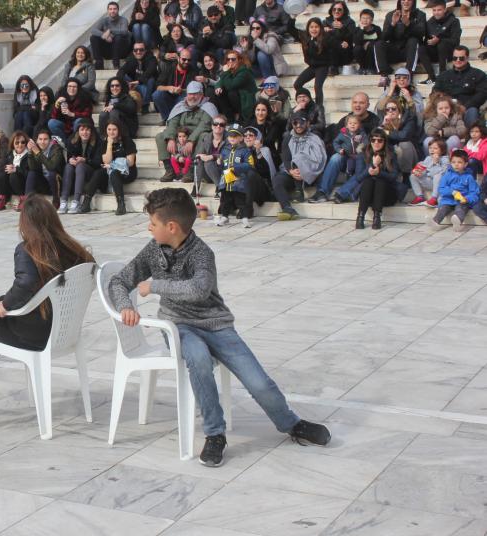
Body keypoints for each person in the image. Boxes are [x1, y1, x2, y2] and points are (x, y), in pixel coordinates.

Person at [109, 188, 331, 467]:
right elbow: (118, 281)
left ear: (171, 227)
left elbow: (199, 289)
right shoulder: (153, 251)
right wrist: (125, 307)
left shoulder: (202, 253)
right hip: (179, 327)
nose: (149, 228)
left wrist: (155, 286)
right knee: (198, 359)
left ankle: (291, 424)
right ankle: (215, 434)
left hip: (216, 325)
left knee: (258, 382)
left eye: (153, 223)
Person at [0, 196, 94, 391]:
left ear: (26, 223)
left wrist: (6, 304)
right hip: (63, 332)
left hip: (32, 336)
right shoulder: (72, 249)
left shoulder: (28, 249)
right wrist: (4, 301)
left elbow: (26, 283)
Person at [157, 81, 216, 181]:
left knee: (205, 135)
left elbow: (204, 126)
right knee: (160, 136)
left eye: (195, 94)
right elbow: (173, 123)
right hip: (181, 135)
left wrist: (191, 140)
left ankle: (191, 170)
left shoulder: (208, 106)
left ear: (201, 94)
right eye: (190, 94)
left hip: (197, 137)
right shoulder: (181, 106)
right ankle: (170, 170)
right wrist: (171, 138)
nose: (192, 97)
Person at [272, 112, 327, 220]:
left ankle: (299, 191)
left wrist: (304, 168)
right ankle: (287, 208)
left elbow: (319, 159)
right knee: (277, 180)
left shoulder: (315, 138)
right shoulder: (288, 138)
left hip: (310, 174)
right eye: (295, 123)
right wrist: (291, 171)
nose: (298, 125)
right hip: (292, 173)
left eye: (301, 122)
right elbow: (286, 158)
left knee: (299, 157)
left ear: (308, 123)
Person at [81, 120, 137, 215]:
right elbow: (106, 161)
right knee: (98, 172)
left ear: (119, 130)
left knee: (114, 173)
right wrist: (109, 144)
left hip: (127, 171)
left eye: (114, 129)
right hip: (110, 169)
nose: (111, 132)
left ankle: (121, 204)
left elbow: (130, 162)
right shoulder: (105, 142)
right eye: (109, 129)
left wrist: (112, 165)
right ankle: (86, 202)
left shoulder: (127, 141)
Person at [216, 126, 266, 228]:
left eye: (235, 136)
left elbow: (250, 165)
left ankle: (245, 218)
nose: (232, 138)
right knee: (225, 199)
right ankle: (224, 216)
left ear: (240, 138)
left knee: (241, 200)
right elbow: (222, 164)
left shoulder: (245, 151)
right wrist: (219, 162)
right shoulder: (224, 150)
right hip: (226, 179)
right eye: (230, 136)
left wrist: (236, 167)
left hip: (239, 181)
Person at [374, 0, 433, 86]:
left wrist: (409, 24)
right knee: (379, 44)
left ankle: (408, 74)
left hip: (411, 52)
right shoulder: (391, 15)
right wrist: (392, 24)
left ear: (413, 1)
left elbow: (422, 33)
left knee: (413, 40)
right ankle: (384, 75)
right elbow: (384, 37)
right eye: (403, 0)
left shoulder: (420, 14)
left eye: (409, 0)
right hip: (394, 50)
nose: (406, 2)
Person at [313, 115, 369, 203]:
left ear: (359, 125)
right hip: (346, 156)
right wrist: (339, 150)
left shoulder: (362, 134)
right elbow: (336, 142)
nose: (352, 125)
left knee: (363, 169)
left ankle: (342, 193)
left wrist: (362, 147)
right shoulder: (343, 134)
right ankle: (322, 191)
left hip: (359, 159)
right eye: (350, 123)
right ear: (346, 125)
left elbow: (367, 142)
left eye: (355, 123)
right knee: (335, 158)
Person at [354, 128, 401, 229]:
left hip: (386, 194)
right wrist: (372, 165)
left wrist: (379, 172)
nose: (376, 143)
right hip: (367, 194)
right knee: (368, 181)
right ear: (370, 141)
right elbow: (358, 178)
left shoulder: (391, 154)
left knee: (380, 180)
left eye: (380, 140)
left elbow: (394, 176)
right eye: (373, 140)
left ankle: (377, 217)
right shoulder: (363, 154)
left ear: (384, 142)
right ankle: (360, 217)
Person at [434, 46, 487, 128]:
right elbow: (435, 91)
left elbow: (482, 94)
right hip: (446, 109)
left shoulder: (478, 74)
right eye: (455, 58)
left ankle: (471, 135)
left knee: (473, 111)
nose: (458, 60)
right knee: (428, 113)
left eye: (461, 58)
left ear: (467, 58)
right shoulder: (443, 75)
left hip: (467, 109)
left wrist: (465, 107)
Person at [429, 149, 480, 231]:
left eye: (459, 162)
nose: (456, 164)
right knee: (443, 208)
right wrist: (452, 192)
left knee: (461, 208)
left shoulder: (469, 177)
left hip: (462, 200)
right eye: (453, 162)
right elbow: (441, 189)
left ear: (465, 164)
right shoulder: (447, 175)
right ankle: (435, 221)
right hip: (448, 200)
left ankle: (457, 220)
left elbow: (474, 192)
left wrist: (467, 199)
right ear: (450, 163)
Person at [61, 119, 101, 213]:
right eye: (82, 129)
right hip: (76, 172)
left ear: (91, 131)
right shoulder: (72, 140)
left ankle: (76, 201)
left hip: (91, 171)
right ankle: (64, 201)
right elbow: (69, 156)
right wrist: (70, 160)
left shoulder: (98, 141)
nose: (84, 132)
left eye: (87, 130)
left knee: (81, 166)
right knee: (68, 166)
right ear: (78, 131)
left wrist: (85, 160)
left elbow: (98, 163)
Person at [19, 129, 64, 210]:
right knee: (32, 173)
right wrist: (30, 152)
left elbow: (52, 166)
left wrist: (38, 153)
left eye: (45, 139)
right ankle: (27, 201)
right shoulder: (36, 148)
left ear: (50, 140)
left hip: (57, 183)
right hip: (44, 183)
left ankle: (56, 199)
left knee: (52, 173)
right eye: (40, 139)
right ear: (37, 140)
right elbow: (33, 167)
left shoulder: (56, 149)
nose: (42, 142)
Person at [212, 50, 255, 123]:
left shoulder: (244, 71)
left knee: (232, 92)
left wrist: (225, 72)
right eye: (228, 59)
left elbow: (231, 85)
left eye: (233, 59)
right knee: (219, 93)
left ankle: (240, 117)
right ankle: (230, 118)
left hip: (246, 99)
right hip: (237, 99)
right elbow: (220, 81)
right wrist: (218, 87)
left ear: (239, 60)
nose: (230, 61)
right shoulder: (230, 70)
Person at [0, 130, 30, 211]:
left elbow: (30, 174)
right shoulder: (10, 154)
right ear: (13, 144)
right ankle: (1, 199)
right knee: (1, 172)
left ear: (26, 143)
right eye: (17, 143)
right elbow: (2, 166)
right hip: (10, 186)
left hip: (23, 185)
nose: (20, 145)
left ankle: (23, 200)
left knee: (13, 175)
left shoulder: (29, 155)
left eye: (23, 142)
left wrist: (16, 169)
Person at [152, 48, 195, 121]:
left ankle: (175, 119)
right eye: (184, 59)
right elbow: (158, 87)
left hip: (182, 98)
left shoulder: (192, 70)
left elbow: (193, 90)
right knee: (156, 94)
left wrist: (181, 90)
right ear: (178, 58)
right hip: (169, 98)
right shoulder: (169, 68)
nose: (186, 62)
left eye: (189, 60)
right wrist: (169, 88)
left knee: (187, 97)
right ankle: (167, 119)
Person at [294, 18, 329, 107]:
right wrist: (292, 18)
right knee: (297, 84)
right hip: (312, 67)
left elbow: (335, 39)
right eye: (311, 27)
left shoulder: (325, 38)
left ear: (320, 28)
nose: (314, 29)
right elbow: (291, 30)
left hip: (323, 66)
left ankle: (319, 108)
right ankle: (310, 103)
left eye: (316, 27)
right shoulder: (305, 38)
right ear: (308, 28)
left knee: (317, 87)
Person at [424, 0, 461, 80]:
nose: (436, 13)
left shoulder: (454, 21)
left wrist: (439, 40)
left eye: (439, 10)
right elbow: (426, 39)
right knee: (421, 48)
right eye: (434, 10)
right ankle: (431, 77)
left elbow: (455, 41)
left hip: (449, 53)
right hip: (435, 53)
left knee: (442, 44)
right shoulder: (429, 23)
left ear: (445, 10)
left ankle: (442, 74)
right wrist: (430, 41)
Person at [118, 43, 159, 114]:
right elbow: (121, 71)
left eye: (141, 50)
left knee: (150, 79)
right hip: (134, 86)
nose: (138, 52)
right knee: (122, 77)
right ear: (133, 51)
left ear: (145, 51)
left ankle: (145, 105)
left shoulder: (152, 59)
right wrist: (126, 83)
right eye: (136, 50)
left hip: (147, 88)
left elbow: (150, 72)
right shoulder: (131, 59)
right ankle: (123, 100)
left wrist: (138, 82)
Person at [49, 79, 93, 144]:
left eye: (74, 87)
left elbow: (87, 114)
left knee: (79, 121)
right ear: (66, 87)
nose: (72, 89)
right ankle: (64, 143)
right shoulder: (61, 97)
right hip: (66, 124)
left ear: (78, 88)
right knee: (52, 123)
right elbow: (54, 116)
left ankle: (75, 142)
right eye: (69, 86)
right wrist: (57, 104)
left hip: (78, 124)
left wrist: (72, 114)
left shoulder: (84, 98)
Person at [193, 115, 228, 195]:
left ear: (225, 127)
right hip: (208, 173)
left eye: (221, 125)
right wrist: (202, 156)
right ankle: (196, 187)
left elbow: (228, 155)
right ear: (212, 126)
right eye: (215, 124)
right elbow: (199, 153)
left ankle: (219, 187)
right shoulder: (206, 137)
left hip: (223, 171)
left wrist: (212, 157)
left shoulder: (229, 138)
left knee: (208, 163)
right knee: (199, 159)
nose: (218, 126)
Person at [90, 2, 132, 70]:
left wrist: (110, 30)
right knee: (93, 38)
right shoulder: (104, 20)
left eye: (114, 9)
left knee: (118, 37)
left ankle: (116, 64)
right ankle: (99, 63)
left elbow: (124, 31)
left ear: (118, 10)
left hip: (121, 51)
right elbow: (93, 30)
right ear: (108, 10)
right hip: (108, 50)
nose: (112, 11)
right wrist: (103, 35)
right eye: (110, 9)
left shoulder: (123, 20)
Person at [409, 138, 449, 206]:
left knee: (438, 175)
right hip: (430, 182)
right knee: (413, 176)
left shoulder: (445, 160)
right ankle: (420, 196)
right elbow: (425, 172)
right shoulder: (428, 158)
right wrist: (418, 171)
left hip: (441, 184)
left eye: (435, 148)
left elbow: (443, 173)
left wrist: (436, 163)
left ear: (442, 150)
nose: (432, 150)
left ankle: (434, 198)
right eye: (430, 148)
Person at [248, 100, 285, 166]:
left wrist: (257, 143)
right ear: (254, 111)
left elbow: (269, 141)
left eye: (263, 110)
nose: (260, 113)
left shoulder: (273, 124)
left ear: (268, 112)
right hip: (250, 154)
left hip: (268, 155)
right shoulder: (249, 123)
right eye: (258, 110)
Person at [324, 1, 357, 75]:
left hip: (345, 52)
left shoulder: (350, 22)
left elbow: (353, 38)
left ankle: (333, 68)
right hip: (330, 52)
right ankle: (331, 67)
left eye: (339, 9)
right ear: (331, 10)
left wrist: (342, 28)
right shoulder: (326, 22)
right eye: (334, 9)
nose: (336, 11)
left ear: (344, 11)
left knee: (341, 45)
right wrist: (323, 30)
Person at [353, 9, 383, 75]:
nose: (365, 20)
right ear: (360, 19)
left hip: (372, 53)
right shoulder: (357, 29)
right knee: (357, 48)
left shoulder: (377, 29)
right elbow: (356, 42)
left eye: (368, 18)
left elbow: (381, 41)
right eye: (363, 18)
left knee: (372, 46)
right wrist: (361, 29)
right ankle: (362, 67)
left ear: (372, 20)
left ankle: (371, 68)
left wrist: (370, 42)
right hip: (362, 53)